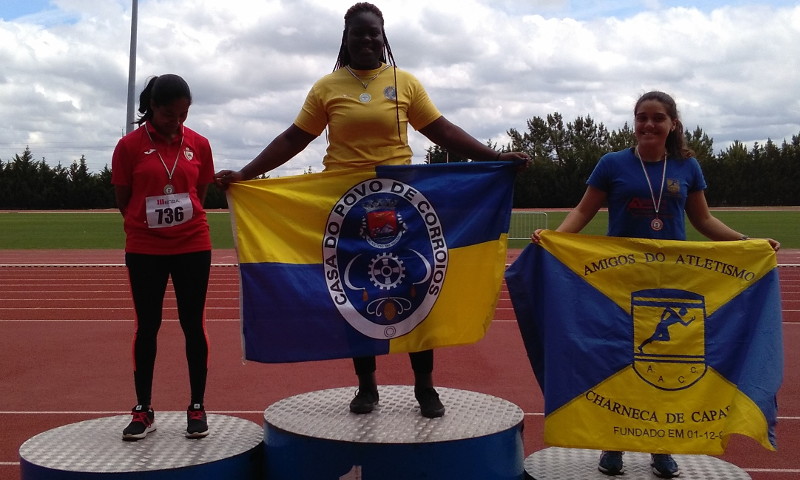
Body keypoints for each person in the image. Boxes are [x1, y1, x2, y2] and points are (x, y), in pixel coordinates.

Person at [215, 2, 529, 418]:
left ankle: (425, 387)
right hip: (346, 208)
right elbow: (294, 138)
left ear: (384, 37)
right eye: (357, 33)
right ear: (345, 39)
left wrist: (494, 157)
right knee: (354, 294)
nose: (366, 39)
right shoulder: (327, 87)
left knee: (417, 289)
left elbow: (441, 129)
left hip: (401, 203)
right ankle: (366, 387)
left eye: (373, 33)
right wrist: (248, 173)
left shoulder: (405, 83)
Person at [531, 90, 780, 478]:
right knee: (618, 360)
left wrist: (748, 244)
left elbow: (704, 221)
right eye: (641, 117)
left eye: (657, 118)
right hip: (619, 282)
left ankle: (662, 446)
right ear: (634, 122)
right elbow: (583, 210)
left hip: (673, 282)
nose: (649, 124)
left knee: (663, 364)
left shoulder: (686, 167)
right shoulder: (611, 164)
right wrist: (553, 239)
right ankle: (614, 442)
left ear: (672, 124)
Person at [112, 74, 215, 440]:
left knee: (193, 324)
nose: (178, 122)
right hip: (146, 248)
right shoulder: (128, 146)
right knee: (148, 326)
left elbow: (199, 191)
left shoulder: (199, 144)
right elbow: (124, 198)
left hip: (192, 244)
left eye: (185, 114)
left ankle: (197, 406)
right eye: (171, 114)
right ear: (152, 108)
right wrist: (145, 224)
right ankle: (143, 409)